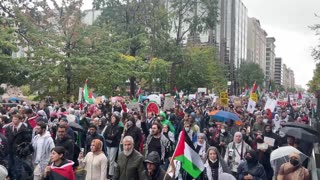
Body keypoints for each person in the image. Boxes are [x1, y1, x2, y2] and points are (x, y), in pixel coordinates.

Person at [6, 114, 33, 180]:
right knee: (10, 166)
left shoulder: (24, 129)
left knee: (18, 168)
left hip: (19, 152)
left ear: (20, 120)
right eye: (13, 119)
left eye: (15, 119)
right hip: (10, 150)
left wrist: (22, 149)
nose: (13, 120)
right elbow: (7, 137)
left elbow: (28, 140)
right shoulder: (9, 128)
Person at [103, 113, 123, 179]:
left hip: (114, 144)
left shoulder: (118, 127)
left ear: (116, 119)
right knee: (108, 159)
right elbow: (105, 134)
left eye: (113, 118)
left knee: (111, 159)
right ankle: (109, 170)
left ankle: (110, 173)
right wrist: (110, 136)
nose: (112, 119)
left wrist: (111, 136)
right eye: (111, 118)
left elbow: (116, 136)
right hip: (108, 143)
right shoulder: (109, 126)